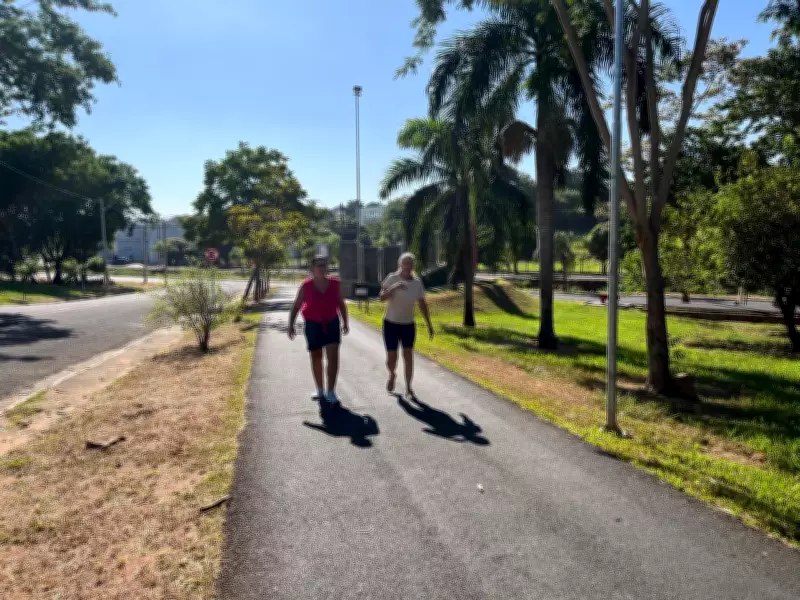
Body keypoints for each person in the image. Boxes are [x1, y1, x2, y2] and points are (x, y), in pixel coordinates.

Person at [288, 255, 349, 406]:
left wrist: (345, 322)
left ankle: (331, 391)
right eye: (318, 265)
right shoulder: (306, 285)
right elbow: (296, 305)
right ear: (313, 268)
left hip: (332, 323)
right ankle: (320, 389)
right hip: (313, 324)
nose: (321, 268)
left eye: (324, 265)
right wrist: (291, 324)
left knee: (333, 358)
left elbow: (341, 303)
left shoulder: (335, 283)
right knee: (316, 357)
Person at [379, 252, 434, 399]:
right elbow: (381, 298)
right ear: (400, 265)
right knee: (392, 358)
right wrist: (394, 287)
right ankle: (392, 374)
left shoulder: (417, 283)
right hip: (391, 323)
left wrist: (429, 324)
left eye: (410, 264)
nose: (407, 266)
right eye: (405, 263)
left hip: (408, 324)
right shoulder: (392, 278)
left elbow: (423, 304)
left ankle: (409, 387)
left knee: (408, 355)